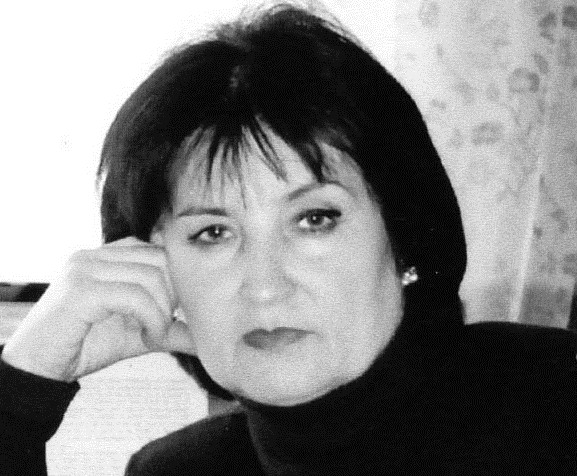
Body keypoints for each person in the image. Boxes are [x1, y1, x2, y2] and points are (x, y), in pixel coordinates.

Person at [1, 4, 576, 475]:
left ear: (405, 237)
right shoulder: (178, 470)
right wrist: (19, 397)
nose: (265, 288)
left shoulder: (554, 397)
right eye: (213, 233)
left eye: (314, 219)